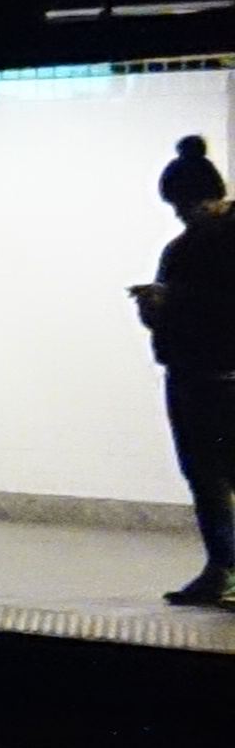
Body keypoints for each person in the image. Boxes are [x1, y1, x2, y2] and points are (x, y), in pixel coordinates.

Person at [132, 137, 235, 607]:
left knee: (210, 480)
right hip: (202, 376)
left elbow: (205, 309)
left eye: (180, 204)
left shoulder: (193, 247)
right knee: (213, 479)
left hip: (205, 379)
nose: (179, 214)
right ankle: (224, 572)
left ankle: (224, 571)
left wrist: (164, 303)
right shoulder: (188, 246)